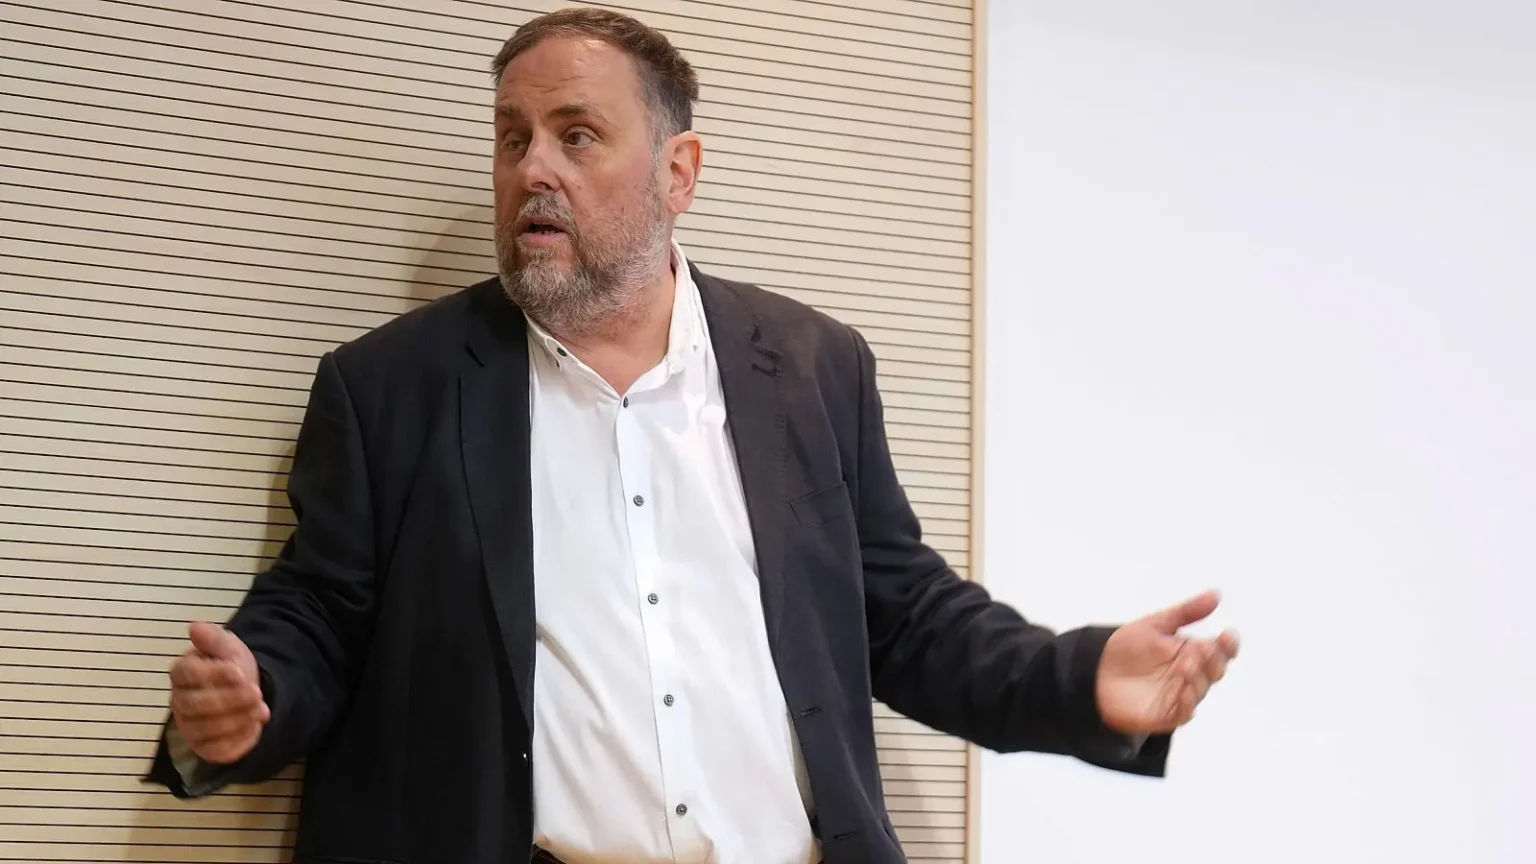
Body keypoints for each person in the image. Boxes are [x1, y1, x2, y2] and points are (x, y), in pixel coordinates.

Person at [144, 8, 1239, 864]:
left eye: (578, 137)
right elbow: (319, 617)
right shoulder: (392, 388)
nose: (534, 169)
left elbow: (905, 616)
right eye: (513, 138)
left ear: (679, 172)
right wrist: (252, 699)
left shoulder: (812, 368)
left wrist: (1080, 678)